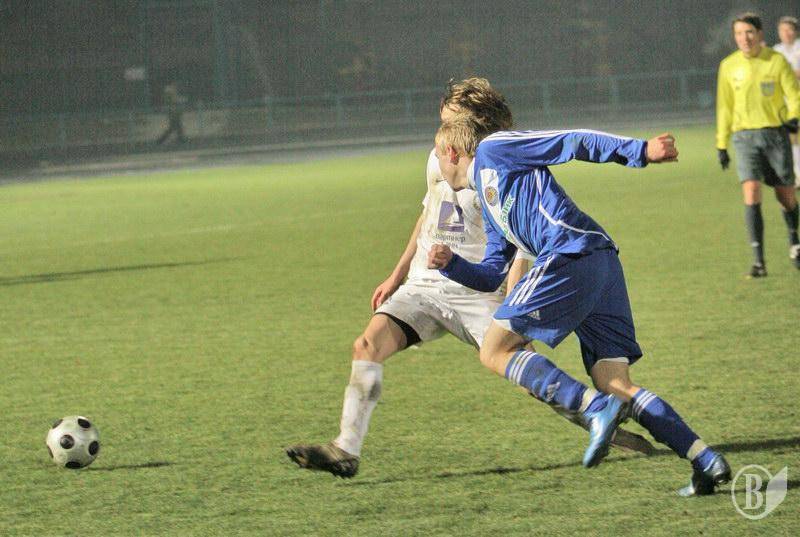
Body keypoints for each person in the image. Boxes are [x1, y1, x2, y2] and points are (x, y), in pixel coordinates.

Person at [286, 79, 653, 479]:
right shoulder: (439, 156)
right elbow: (428, 212)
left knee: (520, 369)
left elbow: (519, 243)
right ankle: (345, 449)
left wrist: (514, 298)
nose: (443, 125)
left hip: (478, 290)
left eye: (451, 117)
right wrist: (397, 273)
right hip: (425, 284)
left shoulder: (500, 162)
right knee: (366, 345)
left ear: (475, 120)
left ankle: (605, 422)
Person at [428, 114, 730, 496]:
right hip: (598, 262)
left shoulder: (494, 149)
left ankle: (593, 408)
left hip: (570, 252)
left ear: (452, 152)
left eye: (437, 155)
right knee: (614, 383)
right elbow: (492, 274)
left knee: (493, 350)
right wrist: (452, 264)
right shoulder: (489, 205)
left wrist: (640, 151)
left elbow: (571, 140)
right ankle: (705, 460)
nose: (436, 166)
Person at [716, 12, 800, 277]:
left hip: (775, 135)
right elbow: (724, 106)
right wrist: (721, 144)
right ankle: (758, 262)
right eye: (739, 33)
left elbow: (794, 94)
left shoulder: (776, 61)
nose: (744, 38)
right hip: (744, 138)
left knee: (786, 196)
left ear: (760, 34)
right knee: (751, 191)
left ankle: (794, 239)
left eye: (749, 32)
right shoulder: (728, 65)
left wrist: (794, 117)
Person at [773, 15, 800, 186]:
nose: (786, 33)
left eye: (789, 29)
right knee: (792, 138)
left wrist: (786, 73)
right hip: (786, 101)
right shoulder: (776, 51)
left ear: (795, 31)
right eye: (782, 30)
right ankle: (796, 174)